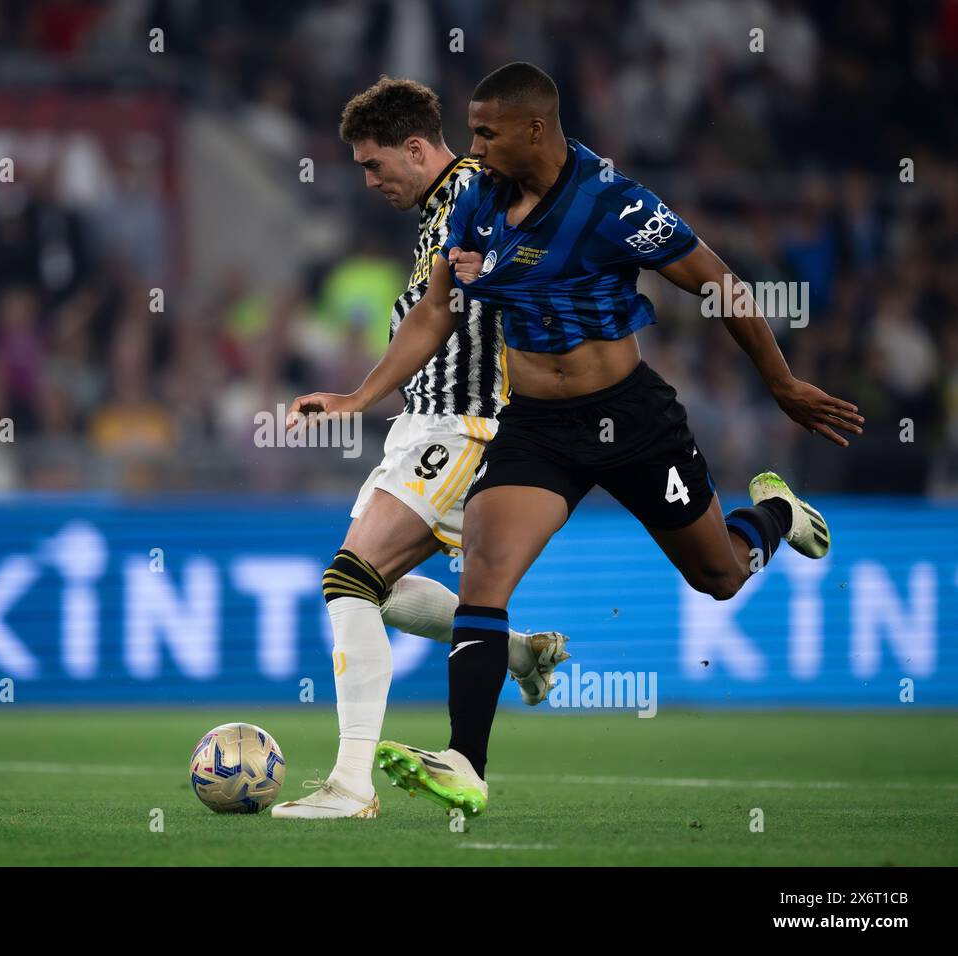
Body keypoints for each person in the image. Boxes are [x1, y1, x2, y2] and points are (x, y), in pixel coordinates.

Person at [287, 63, 863, 816]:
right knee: (484, 580)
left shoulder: (611, 202)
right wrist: (361, 394)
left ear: (536, 129)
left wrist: (781, 382)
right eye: (470, 131)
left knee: (718, 576)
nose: (475, 147)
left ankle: (777, 516)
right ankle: (466, 760)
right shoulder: (476, 205)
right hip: (534, 427)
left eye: (487, 133)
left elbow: (718, 282)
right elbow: (434, 311)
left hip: (631, 418)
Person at [271, 77, 569, 821]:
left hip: (465, 423)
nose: (369, 182)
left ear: (414, 148)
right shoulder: (440, 213)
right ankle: (519, 652)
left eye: (375, 165)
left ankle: (350, 785)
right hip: (424, 423)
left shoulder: (478, 192)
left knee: (348, 582)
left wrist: (355, 399)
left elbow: (517, 272)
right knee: (383, 590)